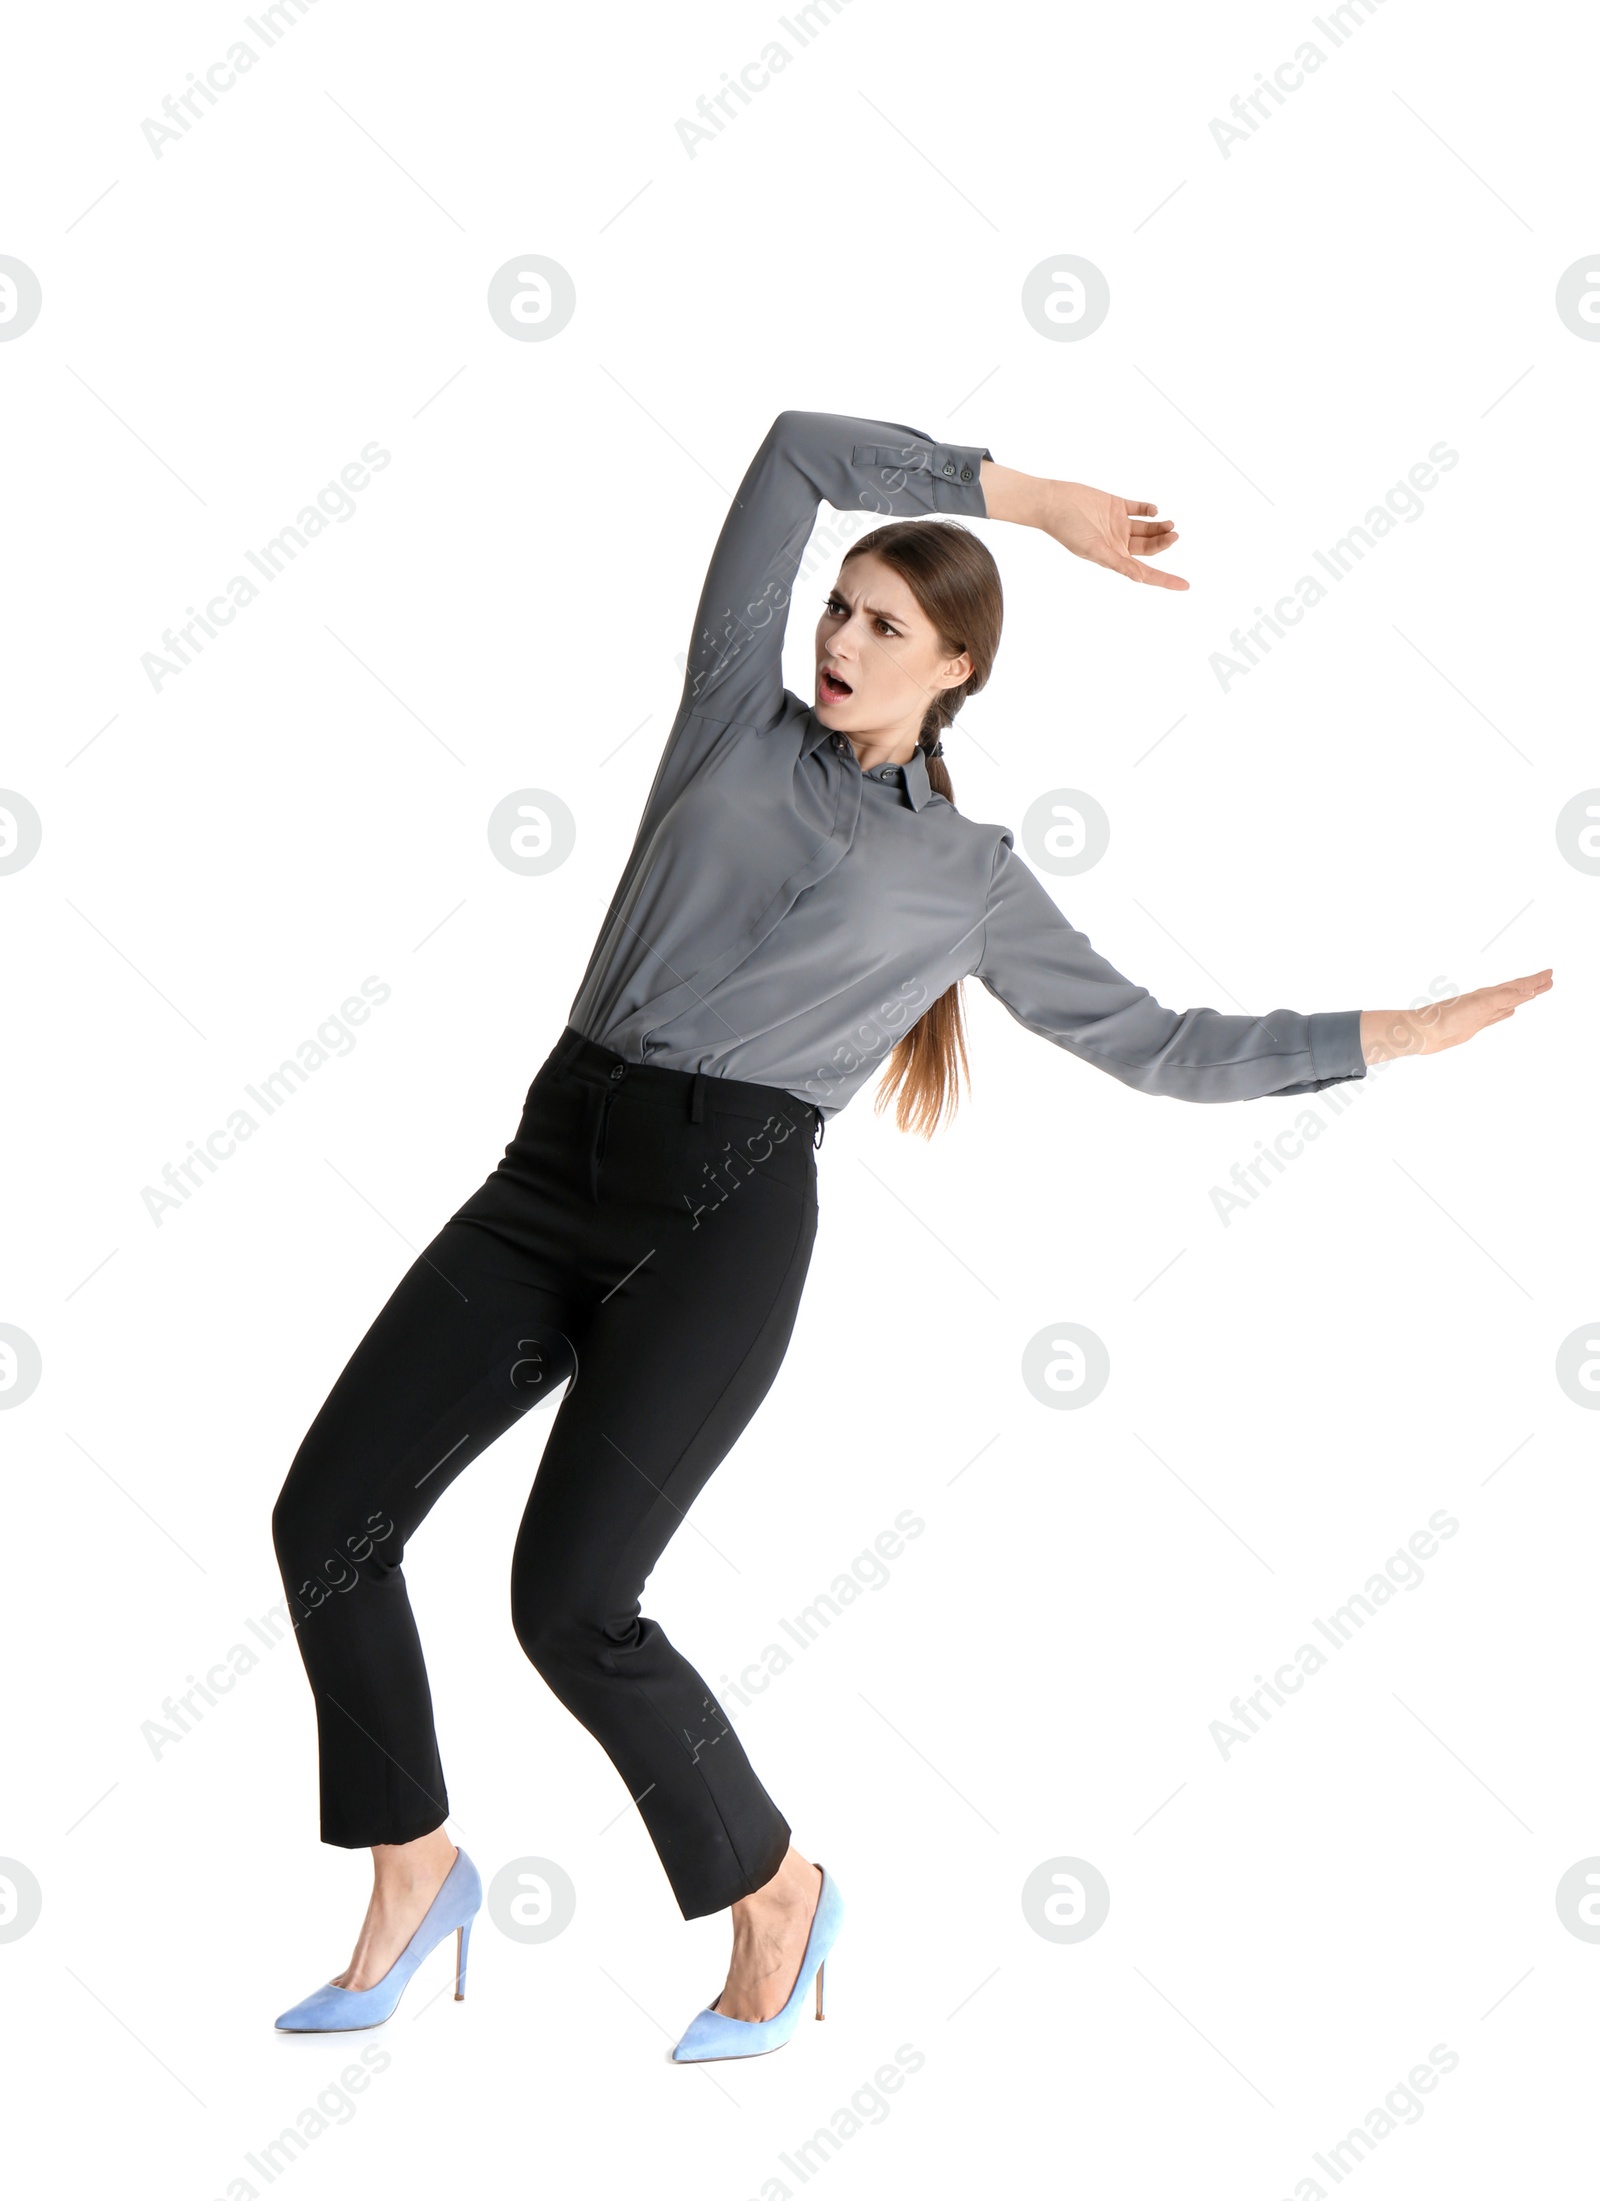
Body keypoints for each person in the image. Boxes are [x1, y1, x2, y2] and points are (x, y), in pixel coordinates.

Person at [269, 409, 1552, 2053]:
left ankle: (777, 1892)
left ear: (956, 670)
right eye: (839, 609)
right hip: (551, 1167)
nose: (842, 637)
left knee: (568, 1600)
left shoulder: (974, 878)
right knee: (331, 1519)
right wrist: (1030, 502)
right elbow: (798, 452)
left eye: (885, 623)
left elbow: (1158, 1041)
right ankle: (412, 1859)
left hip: (722, 1225)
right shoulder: (730, 716)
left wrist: (1393, 1032)